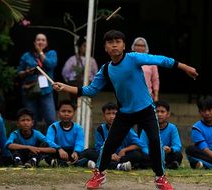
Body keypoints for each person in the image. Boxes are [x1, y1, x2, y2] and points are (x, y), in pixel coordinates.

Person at [53, 30, 198, 190]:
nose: (114, 45)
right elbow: (91, 90)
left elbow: (160, 60)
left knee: (155, 142)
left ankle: (160, 178)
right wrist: (65, 87)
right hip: (125, 113)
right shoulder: (106, 69)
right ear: (105, 48)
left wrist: (184, 67)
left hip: (146, 110)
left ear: (124, 45)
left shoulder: (134, 58)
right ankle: (99, 174)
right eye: (110, 42)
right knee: (109, 145)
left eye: (117, 41)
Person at [81, 102, 148, 171]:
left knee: (137, 155)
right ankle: (119, 166)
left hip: (121, 156)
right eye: (108, 113)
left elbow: (139, 144)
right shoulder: (100, 129)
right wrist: (110, 155)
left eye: (114, 113)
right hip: (106, 155)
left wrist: (124, 150)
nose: (111, 116)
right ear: (104, 115)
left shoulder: (126, 128)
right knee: (87, 152)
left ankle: (99, 164)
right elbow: (98, 147)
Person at [17, 33, 57, 127]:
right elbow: (19, 73)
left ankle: (51, 140)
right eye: (38, 40)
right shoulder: (27, 55)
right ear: (34, 42)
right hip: (30, 90)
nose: (40, 42)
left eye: (43, 40)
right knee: (31, 119)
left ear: (46, 43)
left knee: (51, 118)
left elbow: (50, 65)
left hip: (46, 90)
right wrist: (27, 72)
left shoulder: (51, 53)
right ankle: (33, 141)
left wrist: (40, 52)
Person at [140, 100, 183, 169]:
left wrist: (170, 149)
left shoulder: (172, 128)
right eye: (157, 111)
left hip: (166, 154)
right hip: (150, 155)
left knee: (178, 155)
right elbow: (143, 146)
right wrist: (152, 153)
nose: (159, 114)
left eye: (162, 112)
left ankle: (158, 164)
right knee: (139, 155)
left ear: (168, 114)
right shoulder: (146, 127)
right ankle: (166, 165)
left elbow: (177, 146)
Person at [46, 100, 84, 167]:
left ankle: (61, 163)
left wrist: (76, 152)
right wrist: (59, 149)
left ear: (74, 113)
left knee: (87, 152)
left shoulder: (78, 128)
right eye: (63, 111)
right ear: (58, 113)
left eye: (69, 111)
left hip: (72, 153)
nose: (66, 114)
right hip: (57, 152)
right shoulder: (53, 127)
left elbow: (79, 143)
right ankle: (71, 163)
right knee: (44, 146)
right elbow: (49, 141)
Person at [61, 37, 98, 102]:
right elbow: (65, 72)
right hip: (74, 85)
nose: (86, 48)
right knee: (74, 102)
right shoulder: (72, 59)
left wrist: (92, 82)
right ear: (80, 47)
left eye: (88, 46)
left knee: (86, 102)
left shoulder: (92, 60)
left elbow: (96, 73)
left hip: (88, 85)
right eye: (84, 46)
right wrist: (69, 81)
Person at [131, 37, 159, 101]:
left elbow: (155, 80)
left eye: (142, 46)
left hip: (147, 95)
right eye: (137, 45)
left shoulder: (151, 61)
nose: (140, 47)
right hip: (131, 95)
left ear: (146, 47)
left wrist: (156, 95)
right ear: (133, 46)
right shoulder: (128, 59)